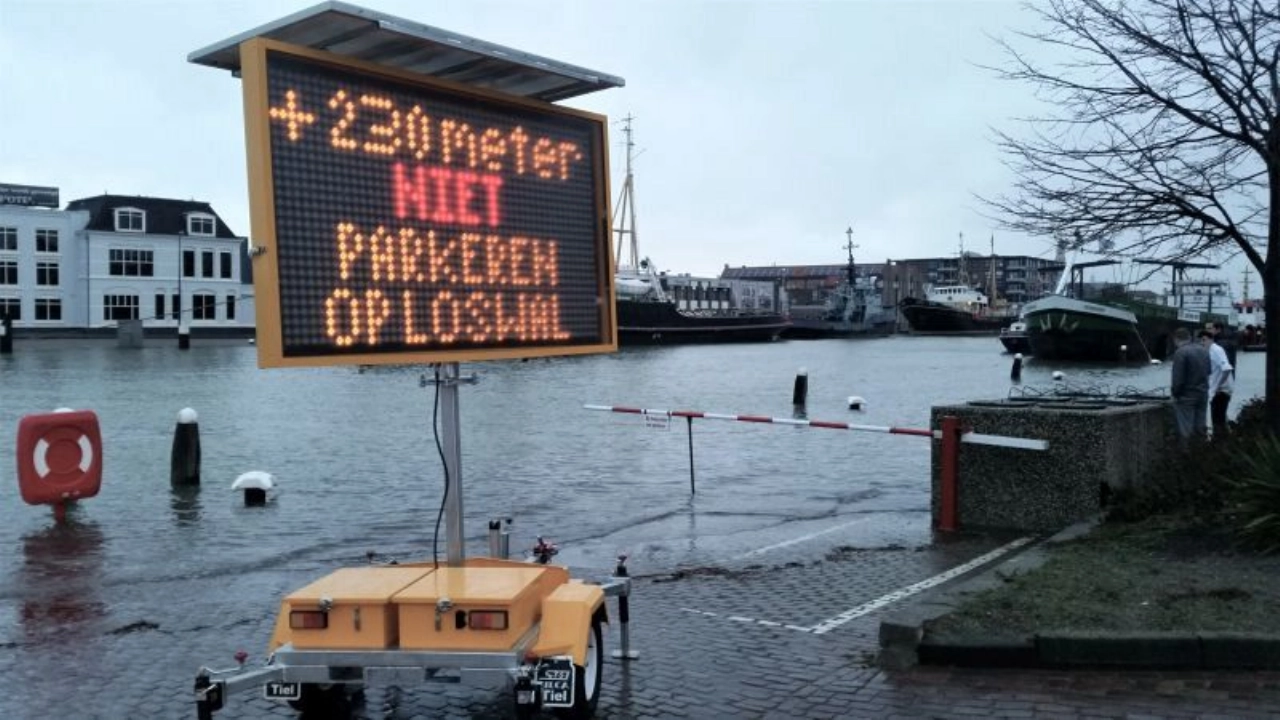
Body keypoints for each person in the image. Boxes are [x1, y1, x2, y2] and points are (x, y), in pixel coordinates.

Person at [1169, 327, 1210, 446]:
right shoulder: (1203, 350)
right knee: (1200, 427)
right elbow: (1209, 371)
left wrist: (1175, 394)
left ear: (1176, 340)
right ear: (1190, 337)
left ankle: (1186, 456)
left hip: (1186, 396)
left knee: (1185, 429)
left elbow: (1178, 379)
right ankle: (1202, 453)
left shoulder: (1181, 352)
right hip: (1203, 394)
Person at [1201, 329, 1234, 437]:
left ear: (1211, 340)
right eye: (1201, 341)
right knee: (1220, 418)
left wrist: (1218, 386)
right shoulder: (1209, 351)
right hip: (1216, 390)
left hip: (1221, 391)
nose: (1202, 343)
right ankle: (1227, 440)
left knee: (1217, 420)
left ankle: (1220, 444)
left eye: (1204, 340)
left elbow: (1227, 369)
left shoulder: (1216, 350)